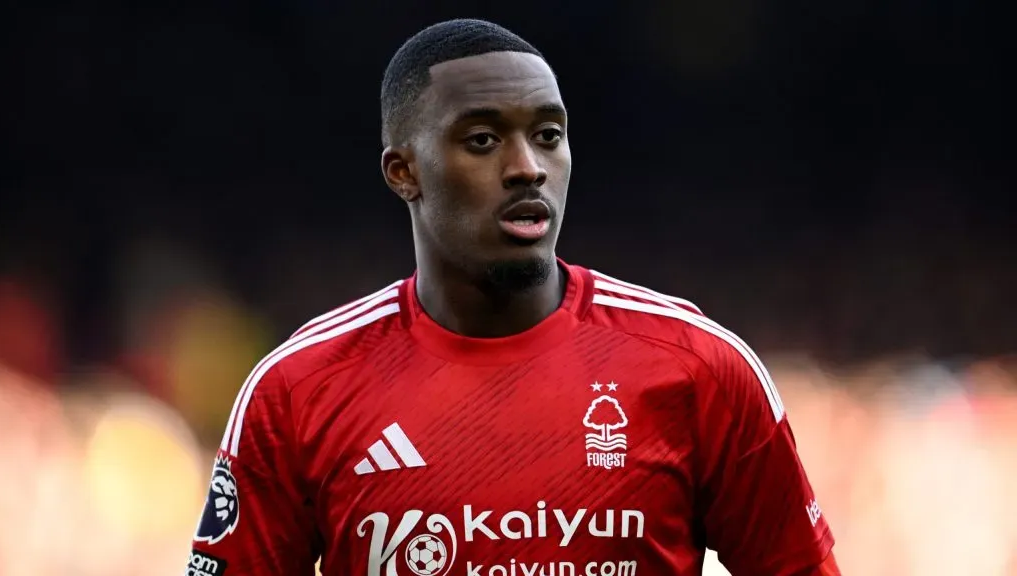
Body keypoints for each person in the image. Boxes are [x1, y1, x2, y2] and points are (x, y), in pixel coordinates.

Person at [186, 18, 839, 576]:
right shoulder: (298, 390)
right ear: (403, 171)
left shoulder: (699, 369)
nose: (528, 165)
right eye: (483, 140)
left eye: (548, 136)